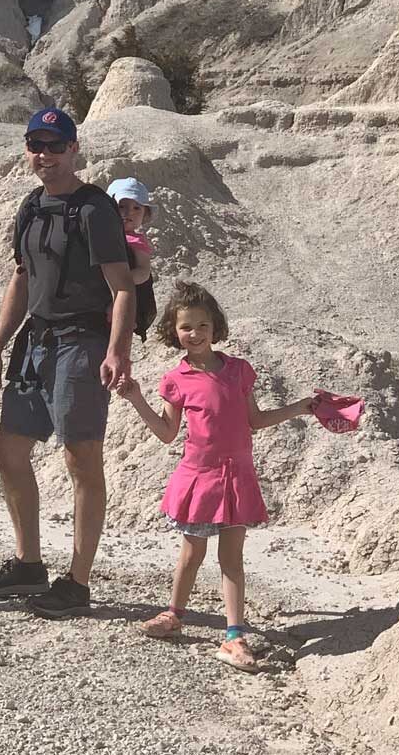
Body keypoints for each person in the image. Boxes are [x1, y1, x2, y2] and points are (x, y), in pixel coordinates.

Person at [0, 107, 135, 618]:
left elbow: (123, 286)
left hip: (81, 343)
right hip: (35, 343)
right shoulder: (31, 207)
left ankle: (77, 583)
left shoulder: (95, 209)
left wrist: (116, 349)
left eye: (55, 146)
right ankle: (29, 564)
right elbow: (21, 279)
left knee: (81, 459)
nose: (45, 155)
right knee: (9, 450)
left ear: (74, 149)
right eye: (36, 145)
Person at [116, 280, 316, 672]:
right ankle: (173, 615)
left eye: (202, 325)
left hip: (236, 476)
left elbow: (255, 420)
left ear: (215, 326)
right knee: (192, 553)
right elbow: (167, 433)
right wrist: (136, 397)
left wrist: (300, 407)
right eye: (186, 327)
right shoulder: (176, 380)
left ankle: (233, 637)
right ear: (174, 331)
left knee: (232, 558)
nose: (194, 334)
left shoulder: (239, 371)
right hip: (199, 476)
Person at [106, 177, 154, 286]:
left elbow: (143, 271)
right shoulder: (100, 234)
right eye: (121, 206)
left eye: (136, 208)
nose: (129, 212)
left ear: (145, 214)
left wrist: (120, 281)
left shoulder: (136, 241)